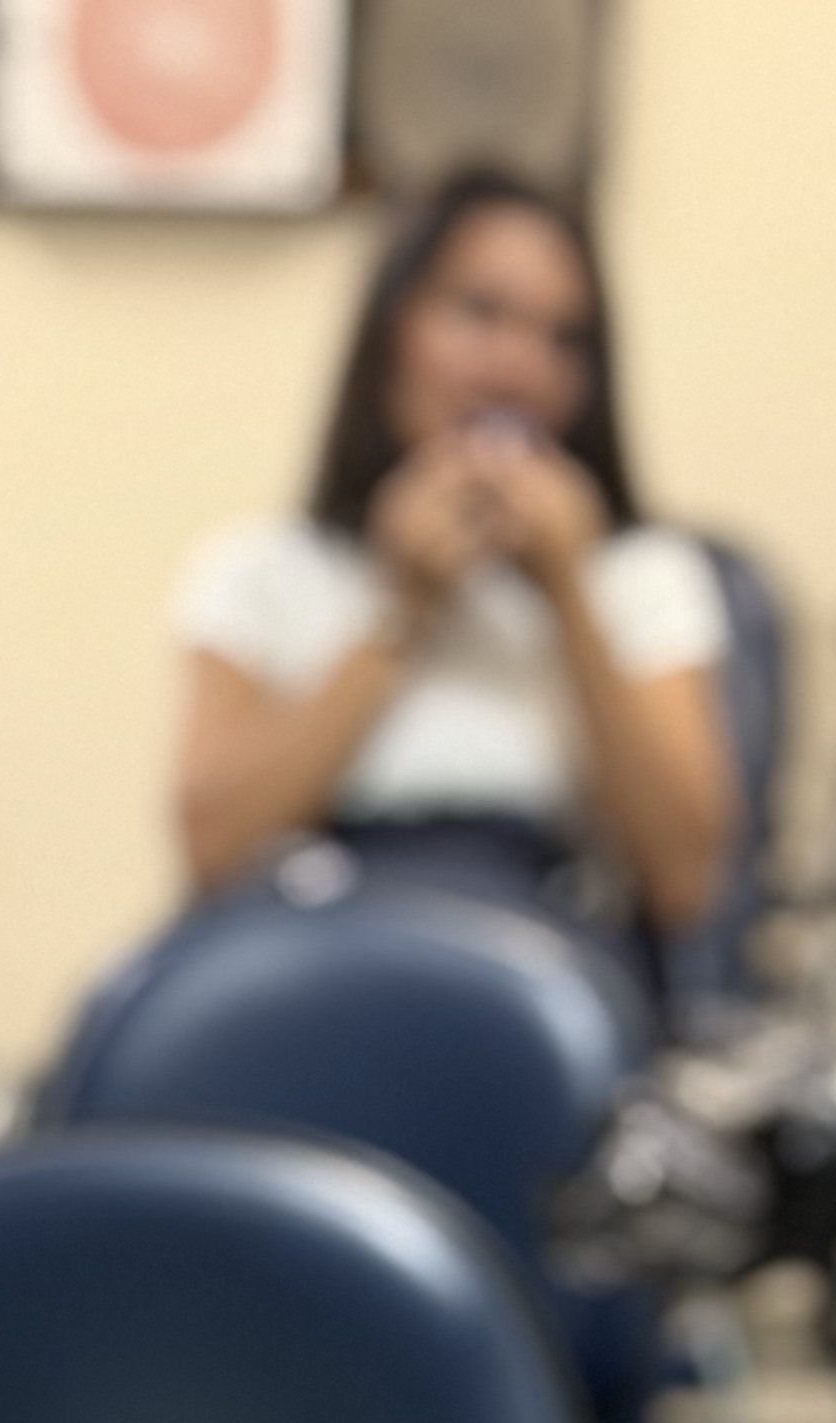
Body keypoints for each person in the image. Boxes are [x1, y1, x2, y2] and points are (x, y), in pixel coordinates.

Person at [171, 167, 738, 970]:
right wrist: (402, 608)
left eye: (563, 340)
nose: (517, 370)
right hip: (311, 968)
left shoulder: (643, 578)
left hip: (550, 969)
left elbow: (682, 883)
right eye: (479, 314)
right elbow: (213, 851)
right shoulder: (263, 569)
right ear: (390, 328)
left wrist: (570, 595)